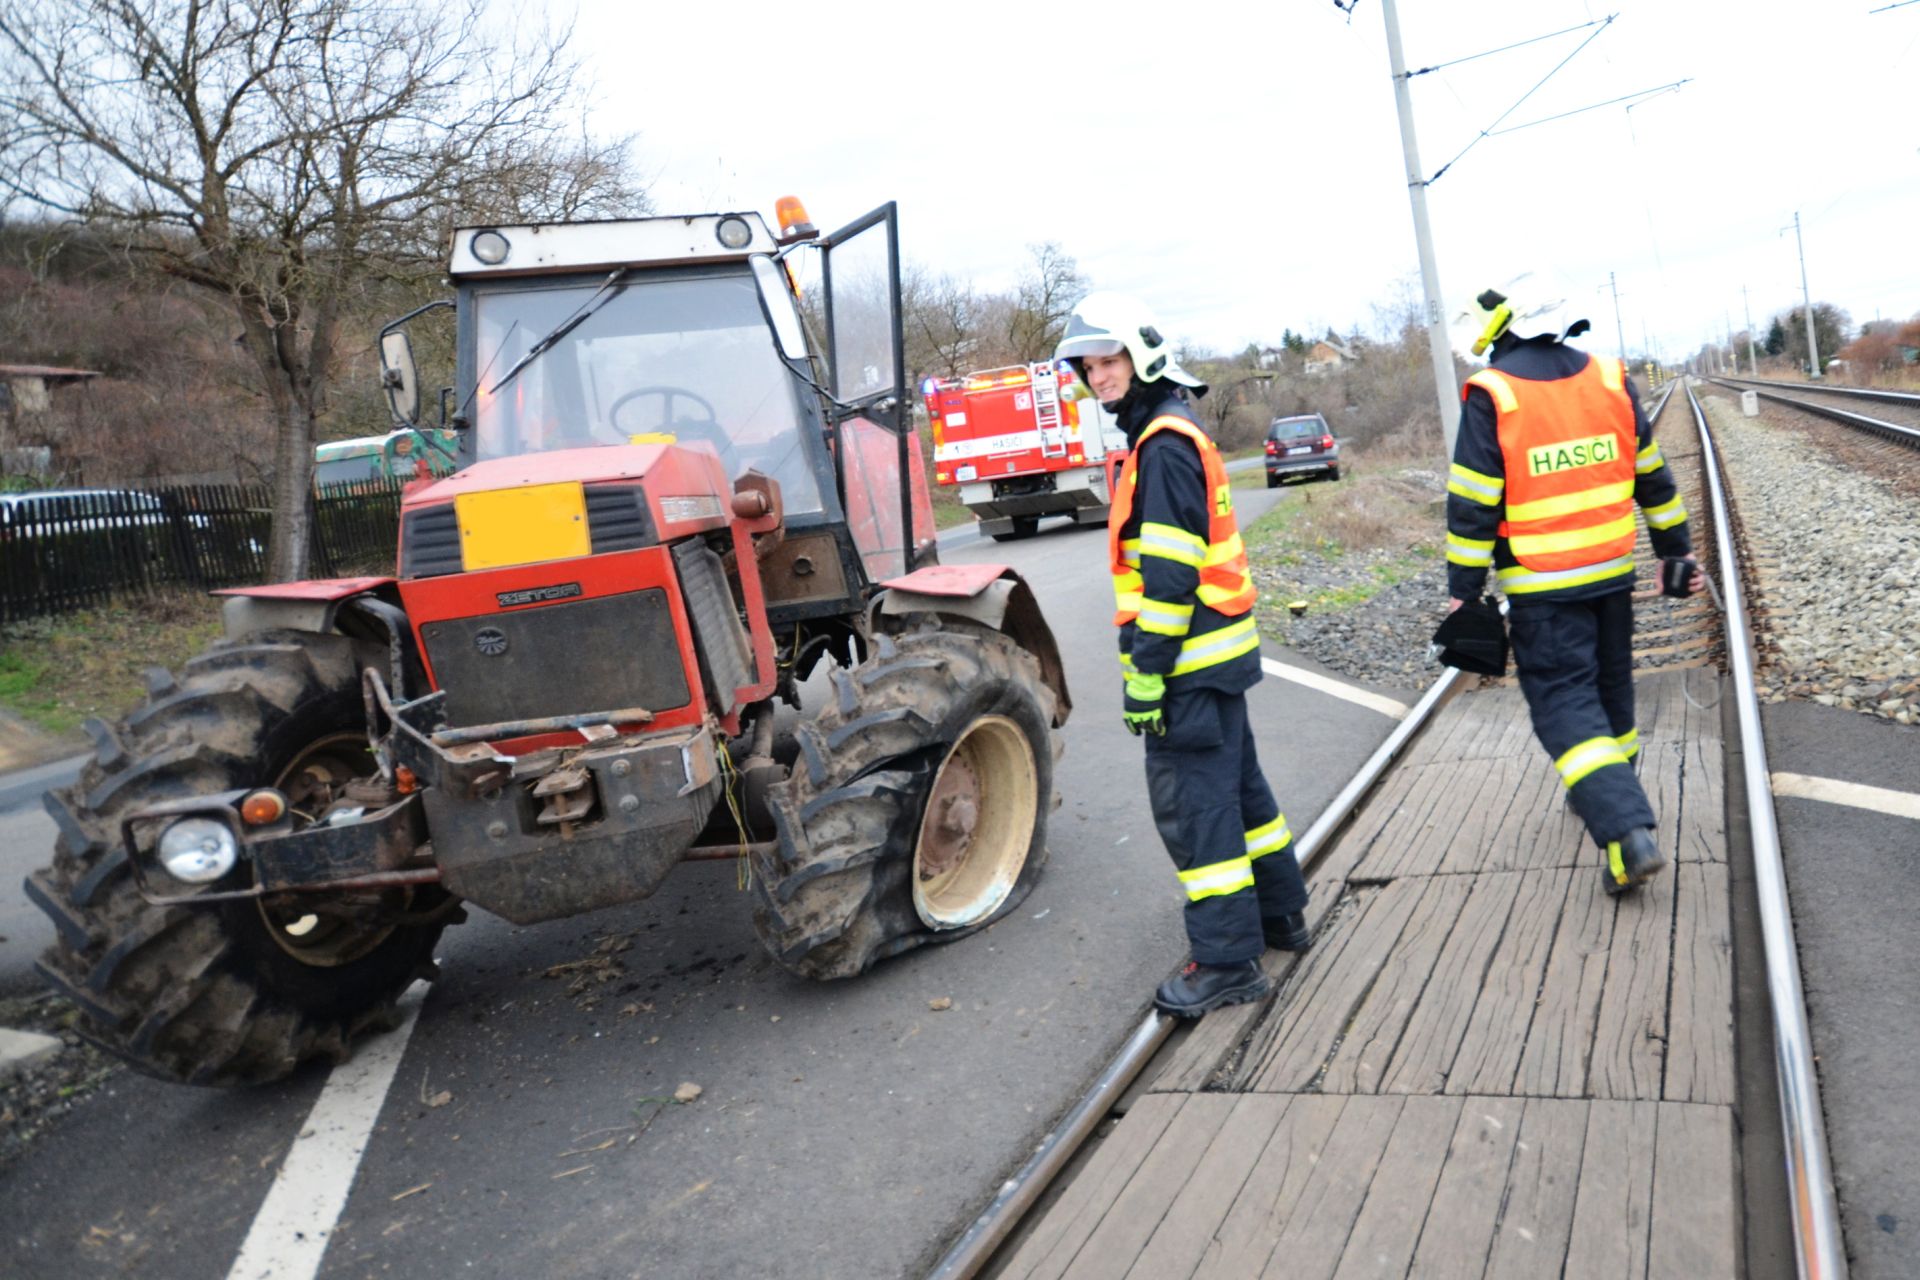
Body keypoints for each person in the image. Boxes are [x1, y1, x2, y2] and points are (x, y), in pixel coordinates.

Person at [1056, 293, 1311, 1018]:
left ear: (1141, 360)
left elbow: (1168, 578)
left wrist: (1146, 675)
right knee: (1245, 798)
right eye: (1090, 366)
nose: (1098, 376)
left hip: (1187, 665)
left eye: (1108, 362)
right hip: (1217, 659)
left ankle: (1229, 963)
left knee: (1199, 815)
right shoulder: (1174, 434)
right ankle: (1280, 916)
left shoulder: (1162, 448)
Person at [1446, 280, 1704, 895]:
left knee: (1562, 702)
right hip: (1610, 575)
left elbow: (1473, 504)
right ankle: (1611, 790)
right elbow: (1655, 480)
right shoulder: (1611, 379)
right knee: (1611, 691)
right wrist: (1676, 552)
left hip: (1541, 584)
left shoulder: (1494, 393)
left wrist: (1464, 592)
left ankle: (1625, 828)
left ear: (1499, 328)